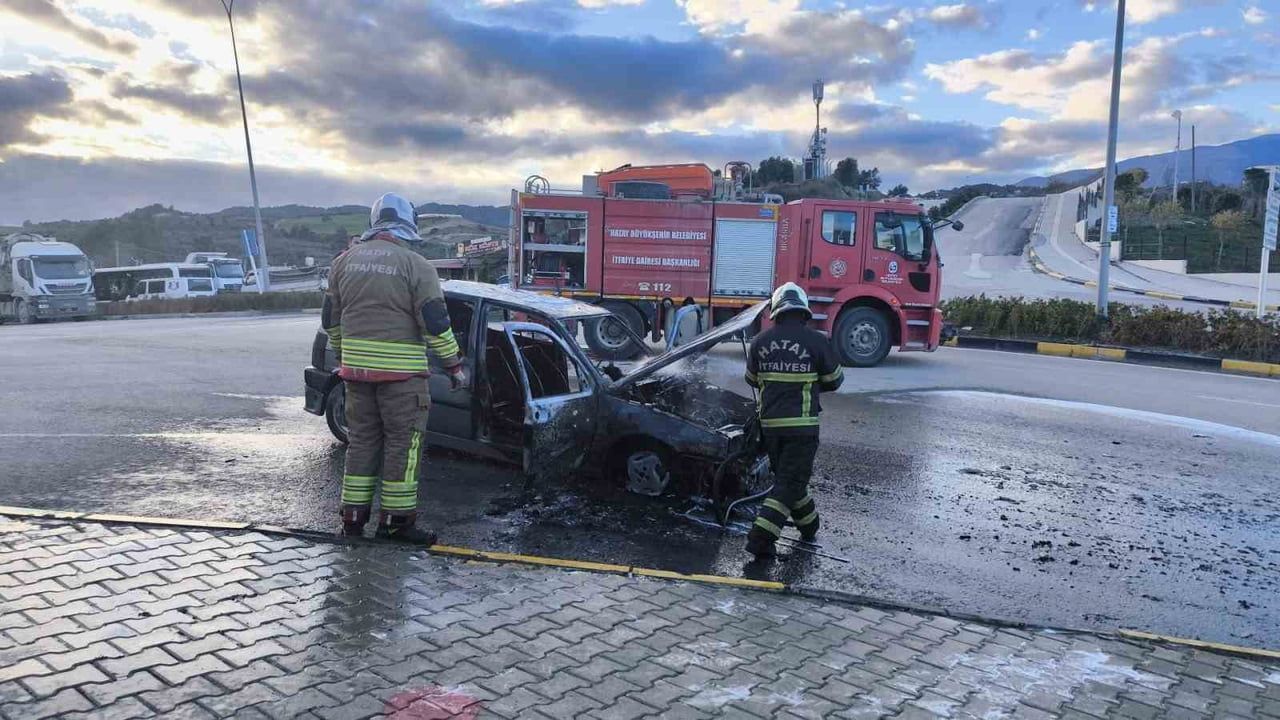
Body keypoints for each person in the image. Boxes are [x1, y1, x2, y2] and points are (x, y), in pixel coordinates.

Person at [322, 193, 466, 544]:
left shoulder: (343, 263)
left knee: (361, 444)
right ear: (408, 226)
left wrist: (345, 357)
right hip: (402, 380)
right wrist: (454, 366)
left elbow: (331, 321)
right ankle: (396, 525)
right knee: (404, 447)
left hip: (356, 376)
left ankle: (353, 522)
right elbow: (435, 322)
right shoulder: (417, 266)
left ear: (375, 223)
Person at [744, 282, 843, 558]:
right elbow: (835, 381)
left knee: (790, 481)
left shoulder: (759, 342)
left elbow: (751, 379)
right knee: (789, 482)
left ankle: (810, 527)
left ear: (776, 312)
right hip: (802, 428)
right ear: (803, 311)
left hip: (770, 429)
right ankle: (760, 539)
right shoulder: (817, 341)